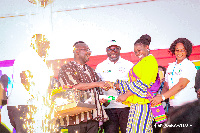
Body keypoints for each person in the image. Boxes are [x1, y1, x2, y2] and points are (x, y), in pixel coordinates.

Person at [58, 41, 110, 133]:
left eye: (89, 50)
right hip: (75, 119)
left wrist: (105, 99)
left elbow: (99, 91)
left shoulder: (91, 70)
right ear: (77, 51)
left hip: (93, 118)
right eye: (86, 50)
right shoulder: (67, 68)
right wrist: (97, 84)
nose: (89, 52)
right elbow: (75, 86)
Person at [112, 34, 159, 133]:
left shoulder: (150, 61)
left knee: (139, 130)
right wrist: (116, 85)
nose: (137, 53)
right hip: (137, 102)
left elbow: (143, 83)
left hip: (144, 103)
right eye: (135, 52)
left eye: (139, 50)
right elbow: (133, 82)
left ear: (147, 47)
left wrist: (126, 95)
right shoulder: (142, 62)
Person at [7, 34, 51, 132]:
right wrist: (41, 99)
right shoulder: (27, 56)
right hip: (23, 104)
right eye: (45, 45)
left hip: (30, 104)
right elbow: (25, 79)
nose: (47, 48)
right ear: (37, 44)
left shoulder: (38, 59)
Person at [95, 40, 133, 133]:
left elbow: (134, 85)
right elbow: (97, 86)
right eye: (110, 49)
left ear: (120, 49)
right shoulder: (100, 67)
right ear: (106, 50)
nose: (113, 51)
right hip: (108, 107)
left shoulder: (129, 65)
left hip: (126, 106)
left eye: (116, 49)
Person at [150, 38, 198, 110]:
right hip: (173, 105)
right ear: (174, 51)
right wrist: (159, 97)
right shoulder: (171, 66)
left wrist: (162, 97)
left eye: (182, 50)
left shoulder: (189, 65)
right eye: (177, 50)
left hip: (187, 106)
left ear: (187, 51)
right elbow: (166, 86)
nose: (179, 53)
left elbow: (181, 85)